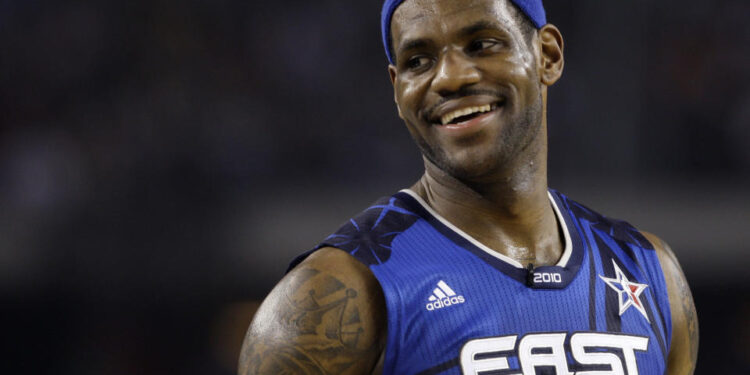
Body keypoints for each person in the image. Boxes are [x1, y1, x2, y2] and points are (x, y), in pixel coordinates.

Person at [238, 0, 699, 373]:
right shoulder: (338, 293)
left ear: (548, 56)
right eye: (419, 60)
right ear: (397, 89)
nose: (451, 77)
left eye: (482, 44)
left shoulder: (650, 273)